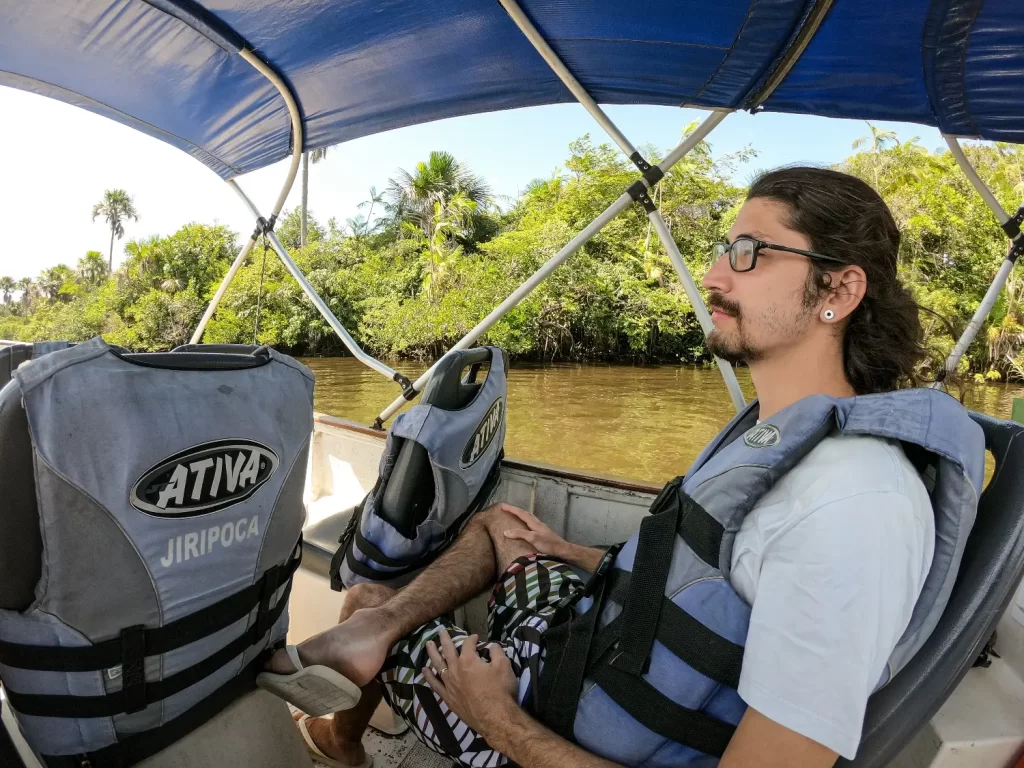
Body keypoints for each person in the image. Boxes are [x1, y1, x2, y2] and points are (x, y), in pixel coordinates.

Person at [264, 167, 941, 767]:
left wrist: (497, 719)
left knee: (369, 599)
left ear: (840, 290)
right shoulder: (773, 435)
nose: (712, 275)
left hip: (560, 720)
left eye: (748, 253)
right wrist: (567, 552)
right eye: (720, 250)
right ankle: (372, 649)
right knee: (504, 526)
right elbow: (698, 584)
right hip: (597, 643)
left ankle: (341, 732)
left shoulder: (855, 505)